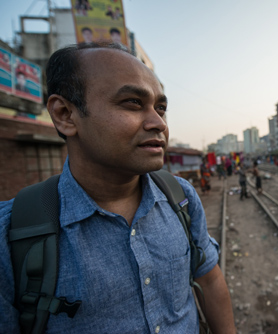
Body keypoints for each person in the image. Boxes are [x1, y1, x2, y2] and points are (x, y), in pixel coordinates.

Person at [0, 42, 235, 333]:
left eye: (161, 108)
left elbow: (210, 280)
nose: (158, 123)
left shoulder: (181, 197)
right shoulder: (12, 235)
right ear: (64, 114)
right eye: (133, 103)